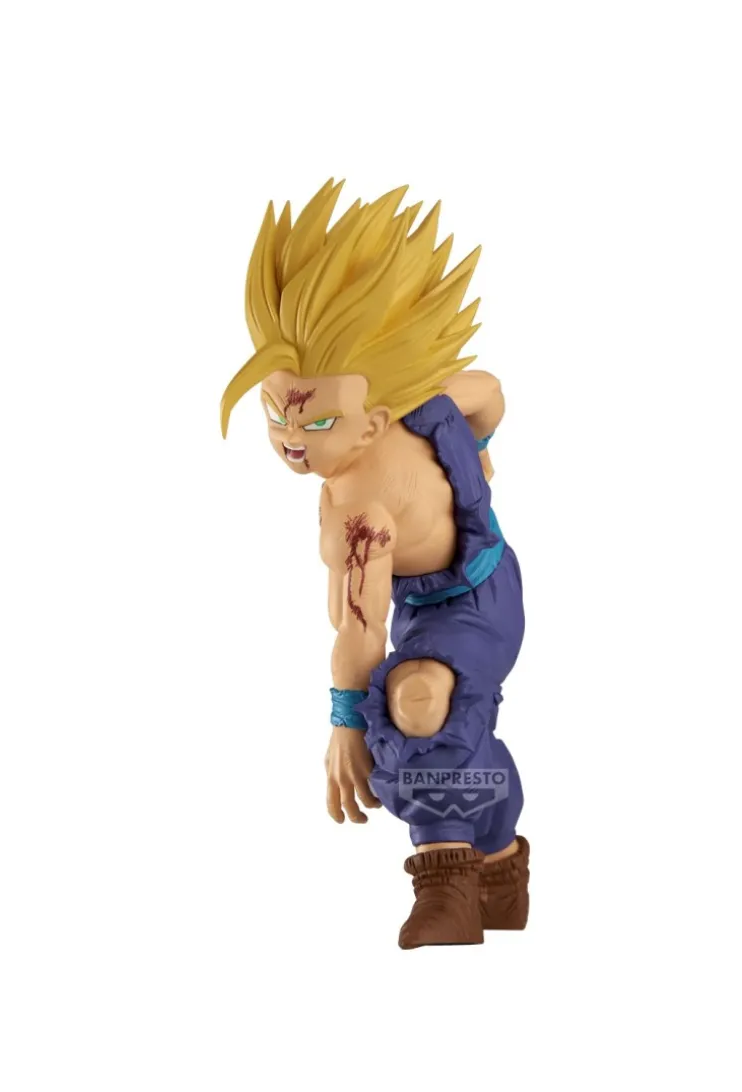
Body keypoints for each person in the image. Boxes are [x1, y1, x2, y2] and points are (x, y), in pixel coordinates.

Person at [221, 179, 530, 948]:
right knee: (445, 713)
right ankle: (499, 868)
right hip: (442, 600)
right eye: (276, 412)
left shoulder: (381, 474)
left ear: (376, 421)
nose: (292, 440)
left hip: (482, 593)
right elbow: (489, 393)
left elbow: (361, 628)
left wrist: (349, 723)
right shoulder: (388, 451)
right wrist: (479, 450)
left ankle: (446, 882)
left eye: (317, 419)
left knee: (415, 703)